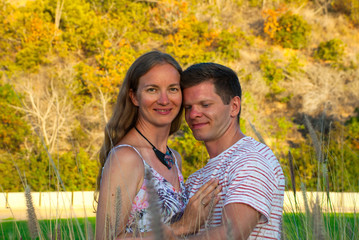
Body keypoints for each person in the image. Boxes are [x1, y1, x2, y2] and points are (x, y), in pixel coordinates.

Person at [95, 51, 221, 240]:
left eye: (172, 89)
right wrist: (182, 226)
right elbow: (106, 238)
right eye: (152, 90)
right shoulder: (126, 158)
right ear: (134, 97)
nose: (164, 100)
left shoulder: (174, 158)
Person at [178, 62, 285, 239]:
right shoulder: (195, 178)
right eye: (188, 107)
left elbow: (232, 233)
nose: (193, 114)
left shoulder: (251, 160)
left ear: (234, 106)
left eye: (205, 105)